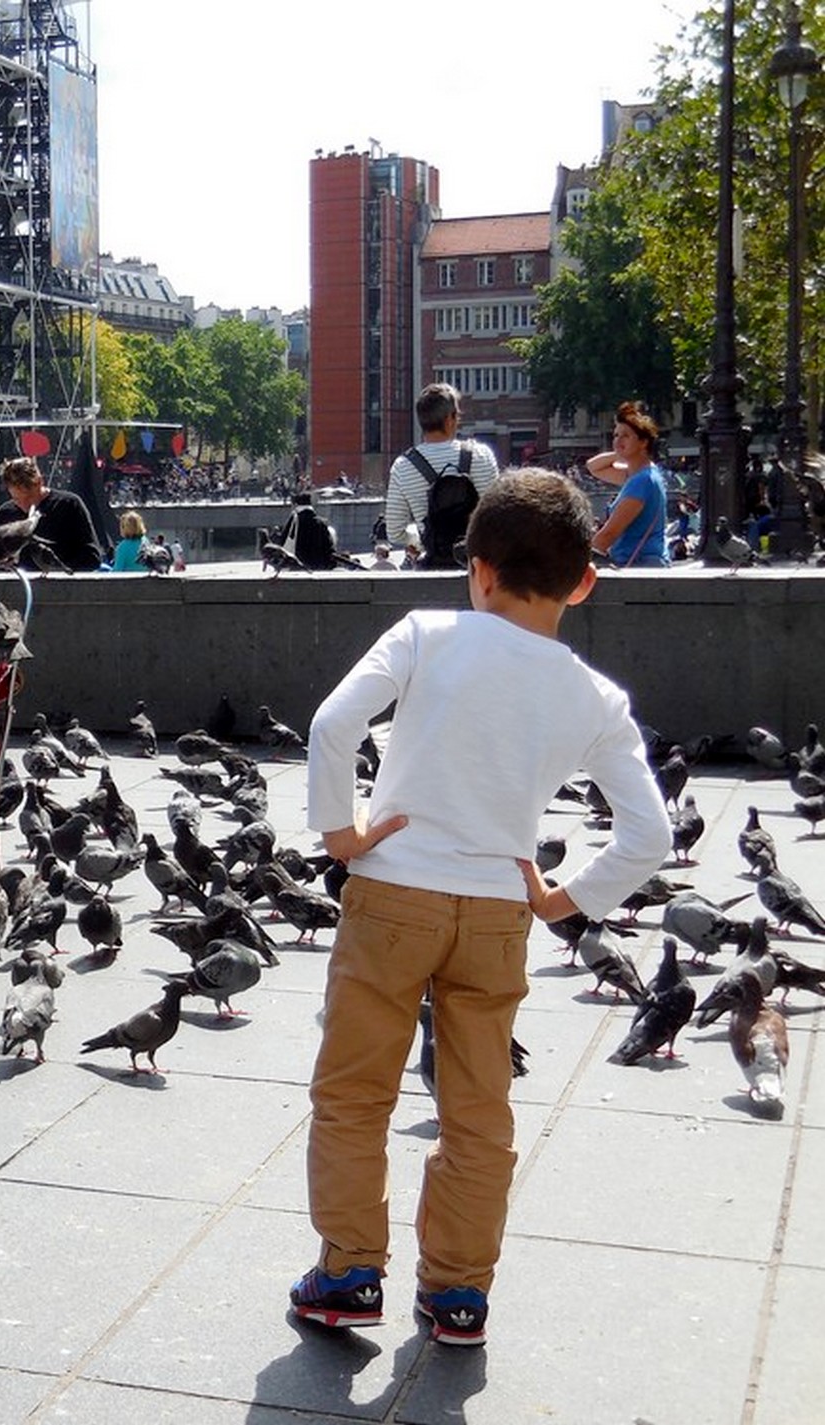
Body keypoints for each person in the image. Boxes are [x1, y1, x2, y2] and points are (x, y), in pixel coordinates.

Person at [293, 470, 670, 1348]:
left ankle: (349, 1270)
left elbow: (330, 726)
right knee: (478, 1106)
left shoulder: (427, 633)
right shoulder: (596, 697)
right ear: (585, 581)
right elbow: (646, 834)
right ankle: (458, 1291)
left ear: (479, 568)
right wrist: (566, 898)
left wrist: (338, 831)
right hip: (500, 911)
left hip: (392, 893)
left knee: (355, 1092)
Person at [386, 383, 500, 568]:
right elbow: (497, 518)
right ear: (449, 419)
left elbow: (394, 531)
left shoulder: (403, 466)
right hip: (479, 566)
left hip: (434, 566)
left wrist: (420, 539)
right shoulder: (481, 455)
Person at [585, 401, 669, 567]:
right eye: (616, 435)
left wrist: (577, 562)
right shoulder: (641, 474)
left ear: (643, 442)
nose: (617, 440)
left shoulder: (641, 481)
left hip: (639, 566)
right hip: (645, 563)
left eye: (625, 435)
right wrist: (620, 453)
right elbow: (593, 466)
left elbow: (609, 534)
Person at [0, 456, 102, 570]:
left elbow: (92, 557)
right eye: (16, 499)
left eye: (29, 497)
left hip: (61, 584)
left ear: (40, 482)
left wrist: (58, 571)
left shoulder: (69, 505)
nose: (25, 505)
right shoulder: (5, 514)